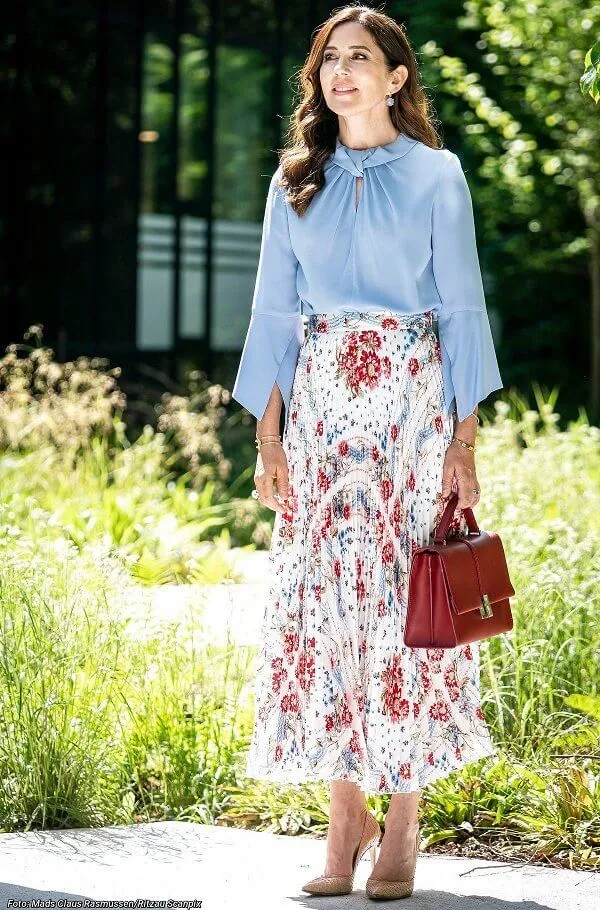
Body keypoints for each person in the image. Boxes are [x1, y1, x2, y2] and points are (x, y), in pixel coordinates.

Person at [231, 4, 504, 901]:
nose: (340, 72)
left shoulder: (437, 174)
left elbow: (462, 307)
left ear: (396, 78)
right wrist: (268, 438)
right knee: (325, 610)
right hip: (320, 415)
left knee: (405, 606)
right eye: (329, 60)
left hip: (410, 412)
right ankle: (342, 817)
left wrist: (465, 439)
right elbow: (273, 313)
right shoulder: (293, 181)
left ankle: (404, 819)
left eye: (361, 58)